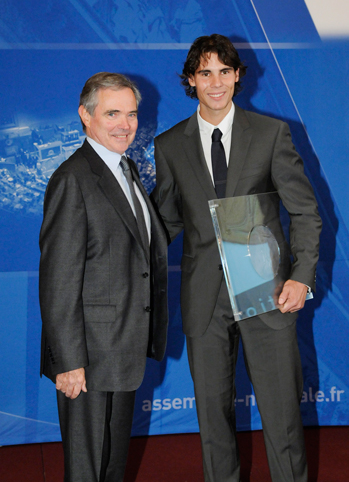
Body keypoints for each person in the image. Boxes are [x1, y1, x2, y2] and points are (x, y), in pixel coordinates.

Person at [152, 34, 322, 482]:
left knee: (283, 417)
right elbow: (164, 222)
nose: (216, 82)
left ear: (238, 75)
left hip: (265, 289)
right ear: (191, 79)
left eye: (224, 71)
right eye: (205, 72)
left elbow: (305, 211)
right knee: (214, 423)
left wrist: (301, 277)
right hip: (204, 297)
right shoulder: (170, 145)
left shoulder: (271, 133)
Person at [39, 72, 168, 482]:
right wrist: (69, 362)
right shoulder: (72, 178)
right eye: (112, 113)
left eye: (131, 114)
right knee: (86, 469)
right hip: (88, 358)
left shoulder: (125, 168)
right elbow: (58, 280)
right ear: (86, 115)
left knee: (111, 466)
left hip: (123, 350)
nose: (124, 124)